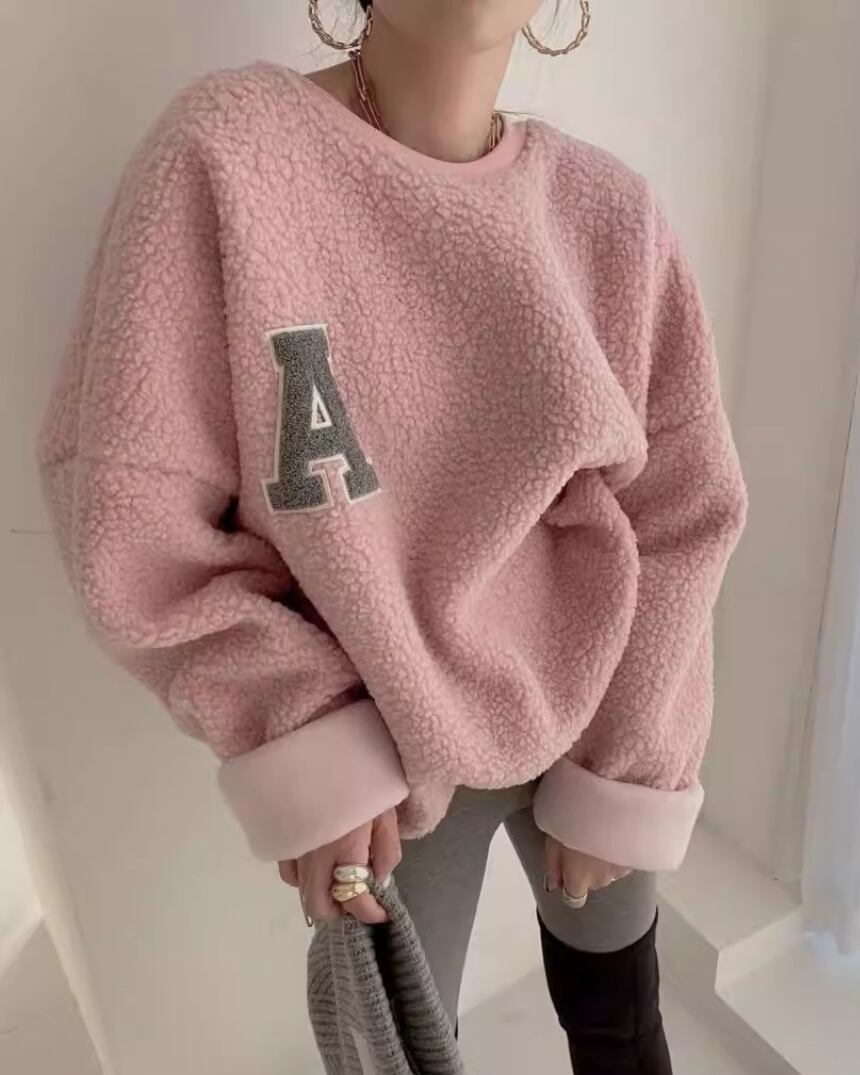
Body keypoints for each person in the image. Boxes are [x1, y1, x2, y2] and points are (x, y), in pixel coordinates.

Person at [37, 1, 748, 1071]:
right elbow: (128, 503)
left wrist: (636, 758)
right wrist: (299, 730)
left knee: (621, 1020)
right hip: (385, 753)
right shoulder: (228, 157)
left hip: (600, 707)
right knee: (400, 1053)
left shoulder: (610, 214)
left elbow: (683, 505)